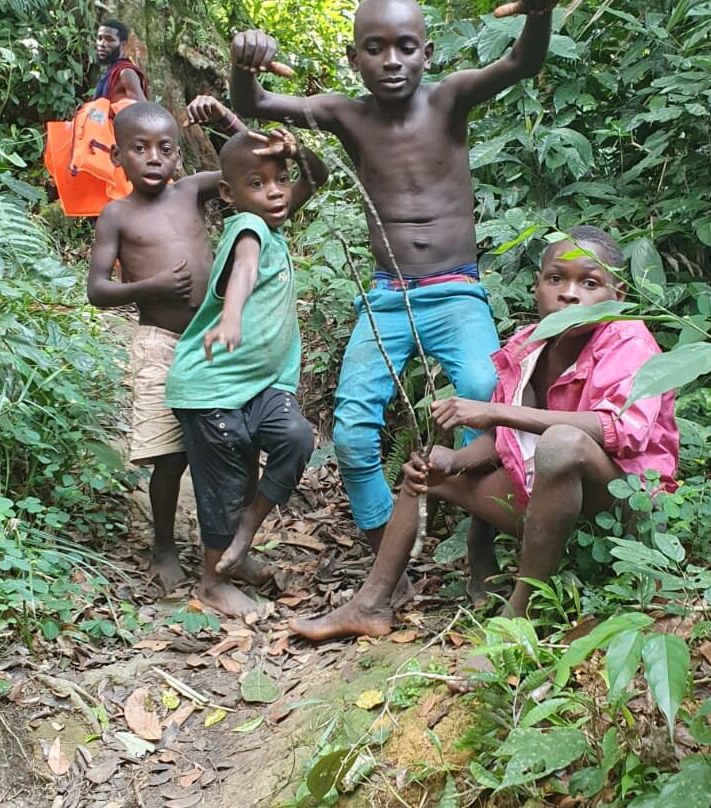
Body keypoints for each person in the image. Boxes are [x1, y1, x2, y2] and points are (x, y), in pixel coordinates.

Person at [230, 0, 557, 571]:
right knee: (353, 430)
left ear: (427, 53)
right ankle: (389, 556)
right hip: (387, 297)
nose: (391, 60)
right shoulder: (347, 115)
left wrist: (538, 14)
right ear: (355, 58)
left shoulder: (451, 97)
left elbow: (520, 63)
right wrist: (244, 62)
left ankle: (481, 540)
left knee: (485, 398)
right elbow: (252, 102)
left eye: (406, 46)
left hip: (457, 291)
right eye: (375, 48)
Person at [289, 226, 680, 640]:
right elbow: (507, 442)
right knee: (427, 475)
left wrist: (497, 410)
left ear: (615, 295)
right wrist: (454, 461)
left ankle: (517, 619)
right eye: (556, 279)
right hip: (547, 501)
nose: (569, 294)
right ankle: (370, 604)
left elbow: (620, 430)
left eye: (589, 282)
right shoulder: (527, 345)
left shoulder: (629, 341)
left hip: (623, 506)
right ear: (537, 286)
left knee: (563, 443)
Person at [164, 128, 329, 616]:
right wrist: (231, 315)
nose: (276, 191)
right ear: (228, 195)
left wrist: (301, 153)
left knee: (297, 438)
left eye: (281, 180)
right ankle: (213, 582)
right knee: (225, 483)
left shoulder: (273, 222)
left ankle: (243, 536)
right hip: (211, 387)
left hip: (261, 386)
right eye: (258, 184)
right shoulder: (248, 229)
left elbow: (315, 179)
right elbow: (245, 269)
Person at [87, 99, 246, 591]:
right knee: (169, 454)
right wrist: (147, 288)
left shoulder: (193, 191)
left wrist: (228, 122)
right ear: (119, 158)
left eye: (165, 148)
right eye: (140, 148)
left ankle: (227, 545)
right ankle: (163, 546)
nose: (154, 158)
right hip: (158, 341)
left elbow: (247, 166)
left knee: (223, 445)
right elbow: (97, 291)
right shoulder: (116, 215)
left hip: (210, 340)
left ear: (179, 156)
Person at [94, 19, 148, 104]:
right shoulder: (110, 71)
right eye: (99, 38)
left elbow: (140, 108)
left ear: (123, 45)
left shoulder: (126, 72)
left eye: (109, 39)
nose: (102, 44)